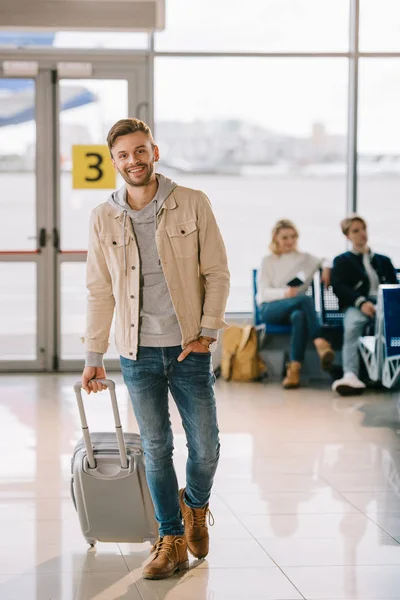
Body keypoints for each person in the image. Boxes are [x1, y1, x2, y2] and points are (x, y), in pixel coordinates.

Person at [80, 118, 230, 580]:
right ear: (113, 162)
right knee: (157, 447)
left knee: (204, 447)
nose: (133, 161)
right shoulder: (104, 216)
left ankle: (195, 507)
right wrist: (93, 357)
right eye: (123, 155)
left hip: (189, 348)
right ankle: (169, 539)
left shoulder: (192, 202)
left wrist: (206, 333)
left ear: (155, 151)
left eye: (140, 151)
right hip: (136, 351)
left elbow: (217, 274)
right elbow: (98, 290)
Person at [257, 219, 335, 389]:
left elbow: (326, 259)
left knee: (299, 315)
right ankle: (320, 341)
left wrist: (327, 269)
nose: (289, 241)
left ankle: (294, 371)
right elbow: (263, 294)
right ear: (276, 238)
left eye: (293, 237)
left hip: (294, 309)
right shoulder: (268, 260)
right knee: (304, 299)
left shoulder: (305, 258)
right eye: (285, 237)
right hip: (270, 308)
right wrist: (285, 293)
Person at [331, 215, 397, 396]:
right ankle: (350, 375)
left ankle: (393, 371)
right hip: (357, 304)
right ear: (347, 236)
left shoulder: (383, 260)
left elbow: (393, 285)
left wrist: (388, 305)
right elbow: (339, 287)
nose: (361, 234)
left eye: (363, 229)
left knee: (394, 327)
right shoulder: (342, 261)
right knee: (352, 326)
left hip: (386, 304)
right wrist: (361, 302)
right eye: (355, 231)